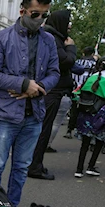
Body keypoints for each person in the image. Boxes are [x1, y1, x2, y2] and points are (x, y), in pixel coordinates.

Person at [0, 0, 60, 207]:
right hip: (5, 115)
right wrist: (23, 84)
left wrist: (38, 87)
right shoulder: (1, 38)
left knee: (21, 168)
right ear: (22, 11)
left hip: (34, 115)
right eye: (35, 14)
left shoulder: (48, 41)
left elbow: (55, 73)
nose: (40, 20)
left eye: (45, 15)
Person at [27, 9, 76, 180]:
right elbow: (66, 62)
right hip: (51, 90)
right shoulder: (53, 38)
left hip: (51, 89)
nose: (70, 26)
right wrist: (71, 48)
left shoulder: (52, 36)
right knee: (43, 129)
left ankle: (33, 164)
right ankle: (34, 166)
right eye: (68, 22)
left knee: (41, 129)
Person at [65, 47, 97, 139]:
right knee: (85, 111)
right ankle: (82, 131)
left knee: (74, 110)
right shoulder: (94, 65)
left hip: (75, 89)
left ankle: (69, 130)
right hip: (88, 91)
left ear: (83, 54)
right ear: (92, 54)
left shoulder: (77, 62)